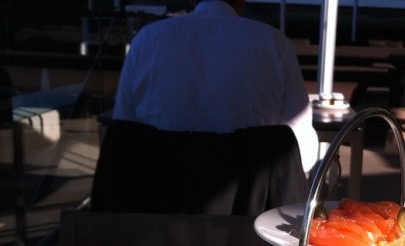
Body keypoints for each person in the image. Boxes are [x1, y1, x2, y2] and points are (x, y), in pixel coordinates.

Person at [112, 0, 319, 174]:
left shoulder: (146, 39)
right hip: (250, 209)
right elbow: (302, 152)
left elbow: (123, 136)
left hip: (158, 202)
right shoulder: (275, 43)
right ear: (241, 0)